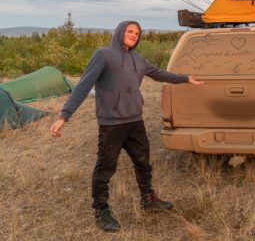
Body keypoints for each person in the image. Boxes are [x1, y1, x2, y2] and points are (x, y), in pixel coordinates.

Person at [50, 20, 203, 232]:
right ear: (120, 32)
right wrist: (64, 116)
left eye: (137, 33)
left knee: (143, 162)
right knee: (106, 167)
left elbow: (159, 73)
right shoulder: (104, 54)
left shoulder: (138, 59)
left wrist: (185, 78)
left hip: (135, 121)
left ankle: (148, 199)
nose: (133, 35)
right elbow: (83, 86)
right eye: (130, 31)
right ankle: (101, 211)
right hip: (111, 124)